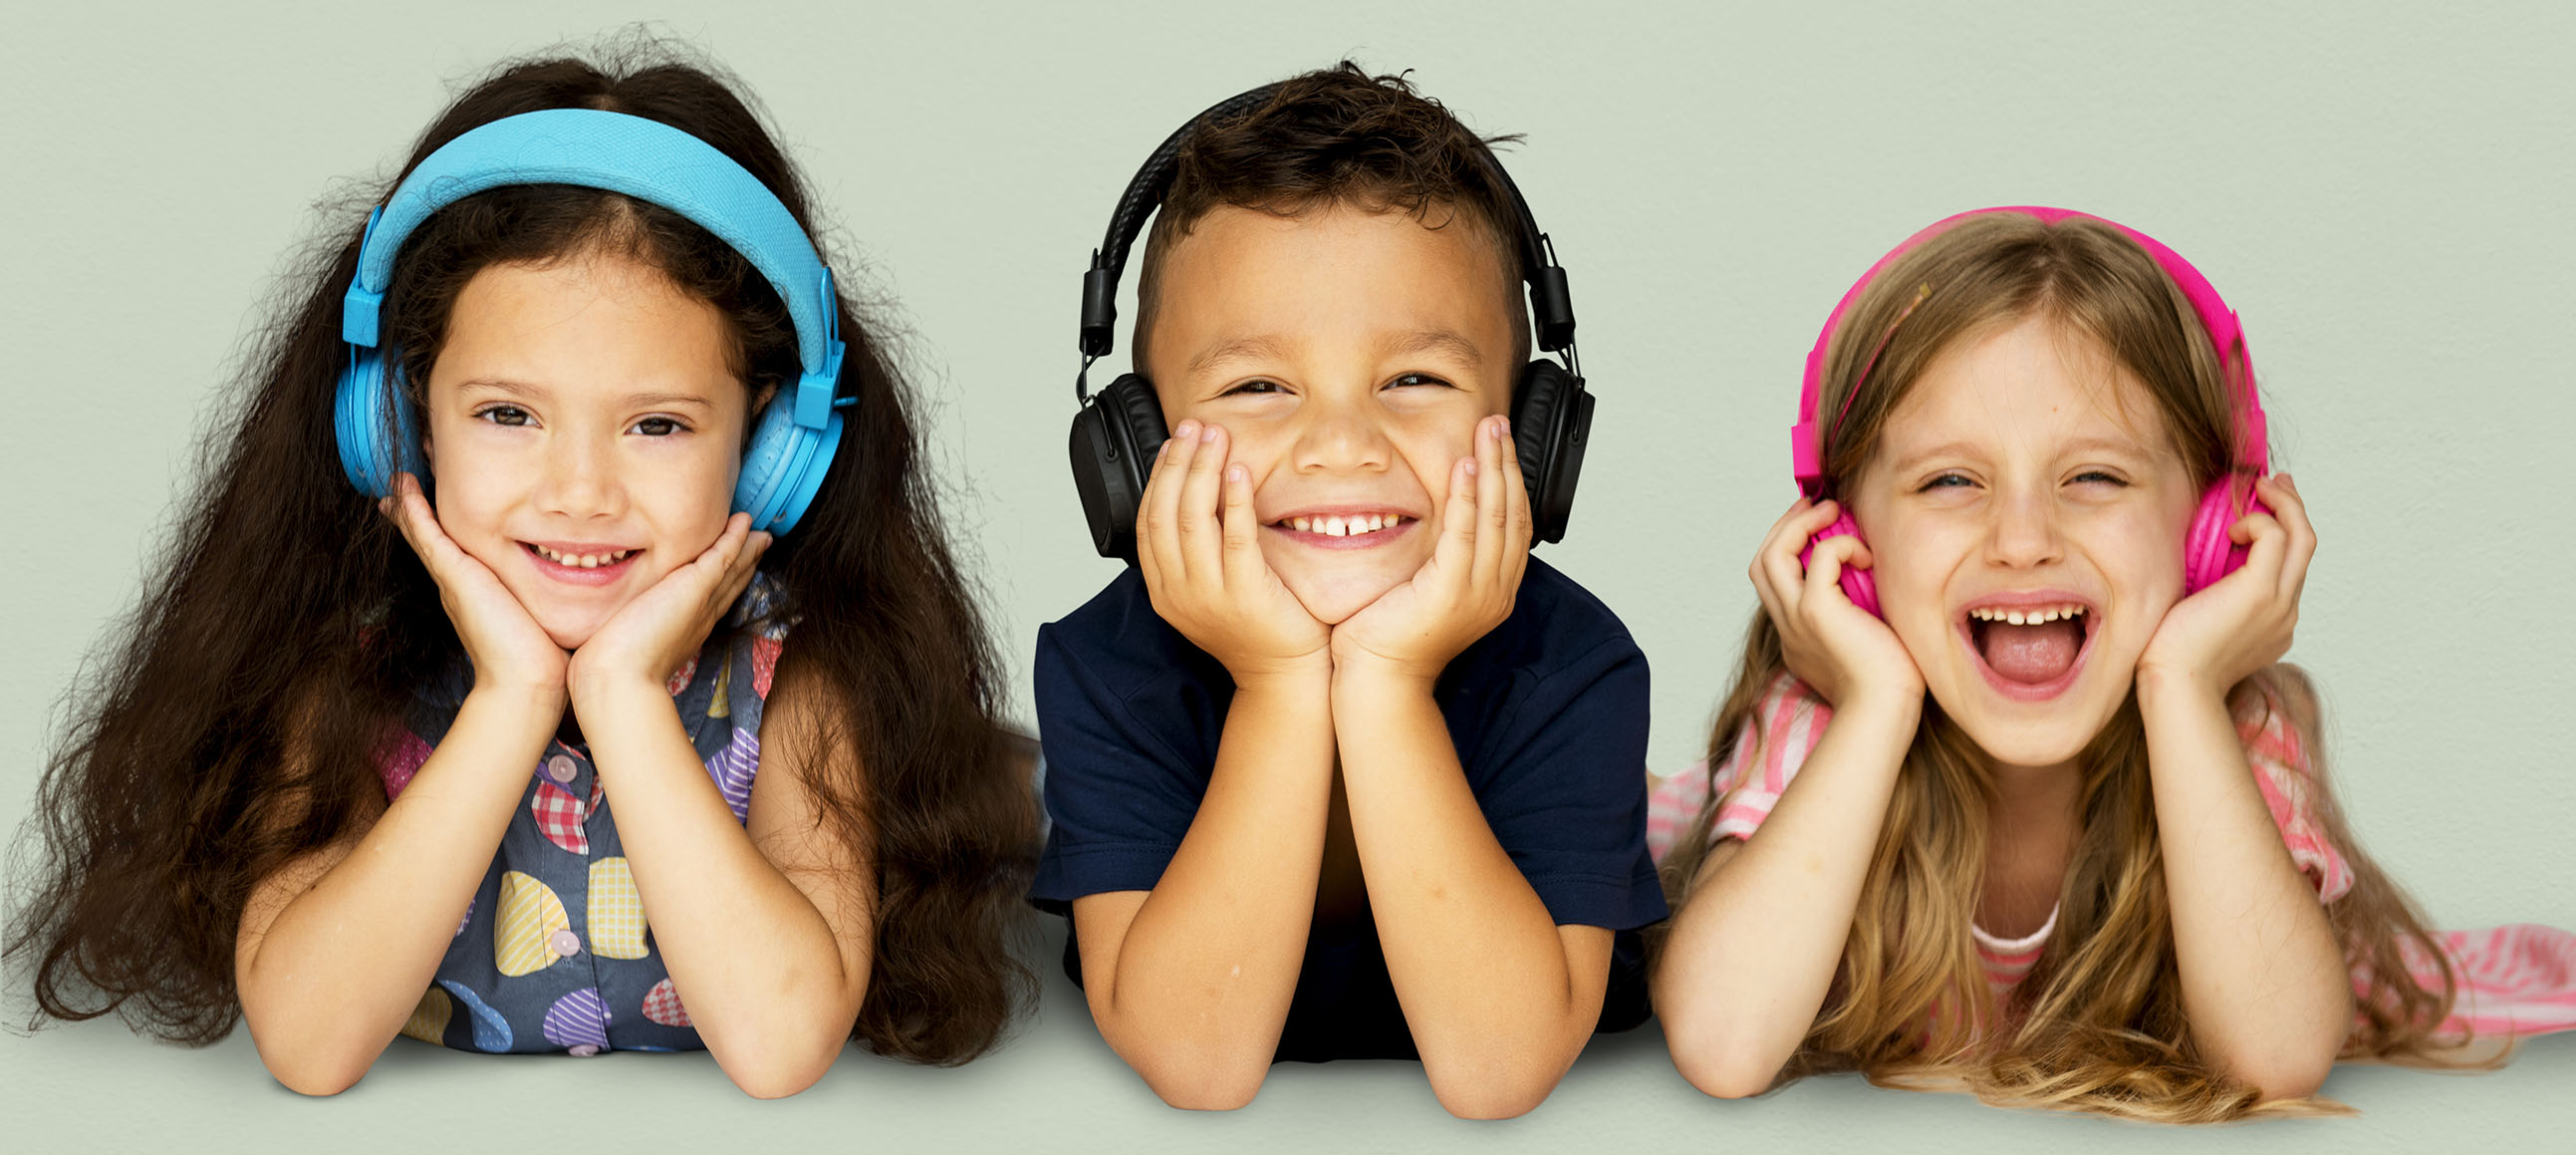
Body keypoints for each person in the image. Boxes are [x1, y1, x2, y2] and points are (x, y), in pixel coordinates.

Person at [5, 48, 1035, 1097]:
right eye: (508, 414)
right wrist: (515, 694)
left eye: (659, 424)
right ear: (400, 419)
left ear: (773, 450)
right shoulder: (341, 677)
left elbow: (778, 1046)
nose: (580, 490)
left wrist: (625, 695)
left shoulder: (806, 684)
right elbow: (310, 1045)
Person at [1647, 206, 2576, 1121]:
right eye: (1949, 480)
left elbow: (2278, 1054)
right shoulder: (1829, 713)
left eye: (2094, 476)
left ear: (2212, 532)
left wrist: (2180, 684)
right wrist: (1879, 701)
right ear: (1847, 541)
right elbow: (1726, 1044)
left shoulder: (2226, 720)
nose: (2022, 540)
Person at [1030, 64, 1665, 1118]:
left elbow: (1499, 1071)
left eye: (1415, 378)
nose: (1341, 446)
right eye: (1256, 386)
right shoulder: (1106, 667)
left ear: (1536, 431)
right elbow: (1198, 1063)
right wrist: (1281, 683)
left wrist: (1386, 684)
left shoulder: (1575, 664)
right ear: (1132, 452)